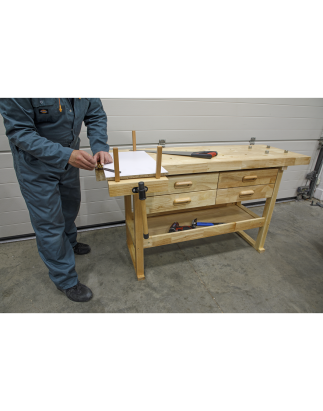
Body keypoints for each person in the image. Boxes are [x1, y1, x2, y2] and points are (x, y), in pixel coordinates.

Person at [0, 97, 113, 303]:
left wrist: (100, 146)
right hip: (36, 166)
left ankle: (69, 243)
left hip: (70, 160)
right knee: (50, 224)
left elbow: (95, 114)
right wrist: (65, 155)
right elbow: (20, 132)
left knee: (70, 207)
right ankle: (66, 279)